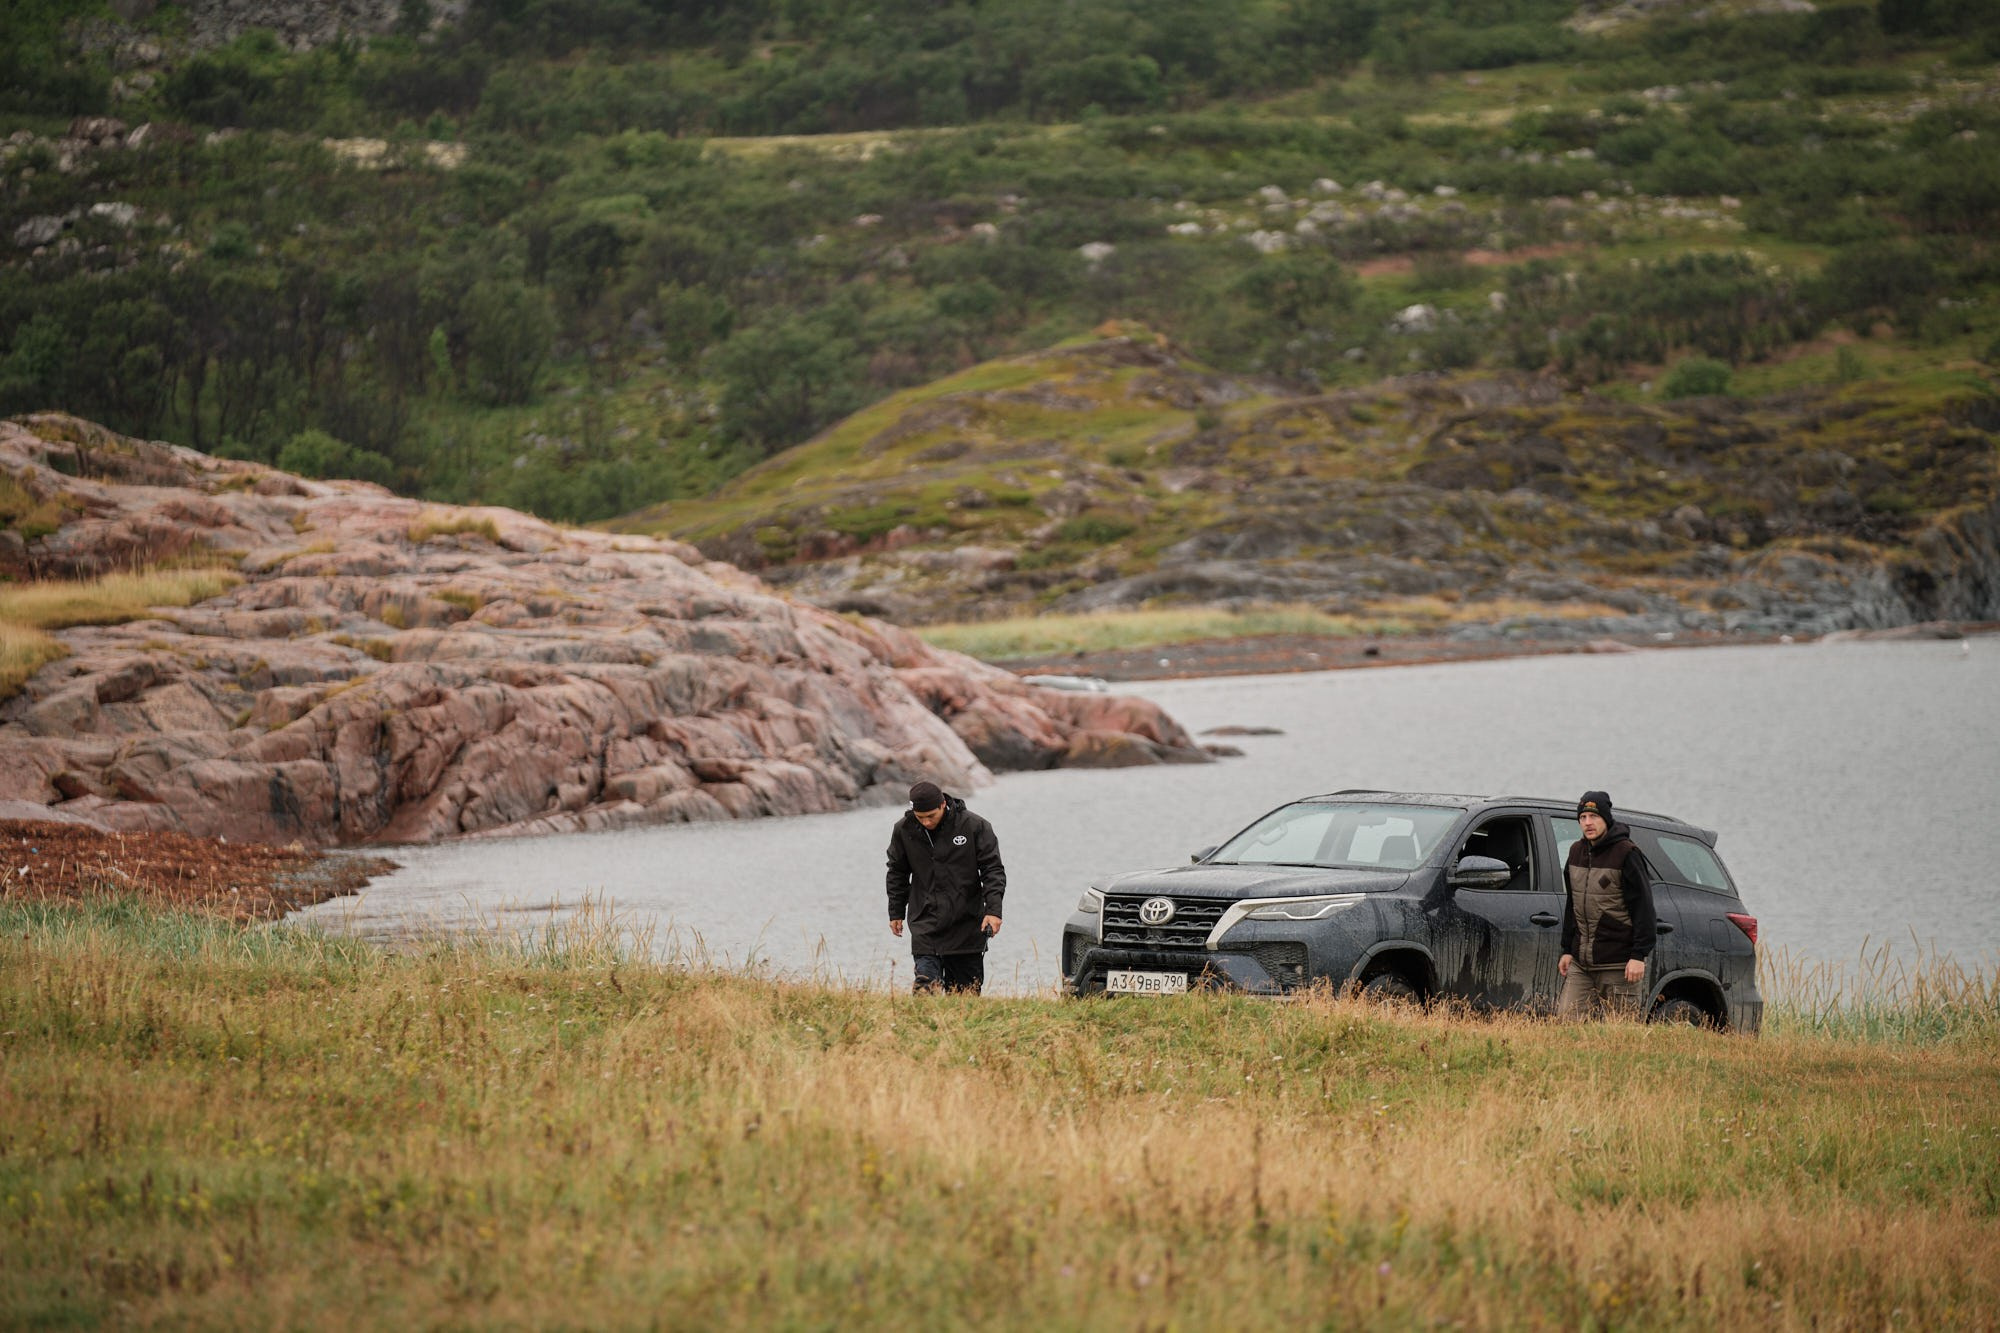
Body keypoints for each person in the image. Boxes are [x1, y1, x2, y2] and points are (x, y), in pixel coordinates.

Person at [885, 780, 1005, 994]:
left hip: (966, 924)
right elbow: (897, 872)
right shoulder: (903, 830)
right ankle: (921, 1026)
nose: (926, 822)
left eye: (931, 815)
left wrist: (993, 911)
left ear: (943, 804)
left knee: (964, 998)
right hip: (925, 921)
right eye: (920, 817)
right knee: (925, 988)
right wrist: (896, 911)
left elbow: (992, 870)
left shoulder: (974, 826)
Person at [1557, 790, 1658, 1019]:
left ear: (1606, 818)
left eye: (1594, 816)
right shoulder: (1575, 852)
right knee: (1566, 1023)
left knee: (1620, 1035)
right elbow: (1572, 905)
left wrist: (1639, 955)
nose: (1588, 823)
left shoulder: (1627, 853)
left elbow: (1644, 908)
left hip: (1619, 964)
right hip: (1581, 965)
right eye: (1583, 817)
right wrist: (1566, 949)